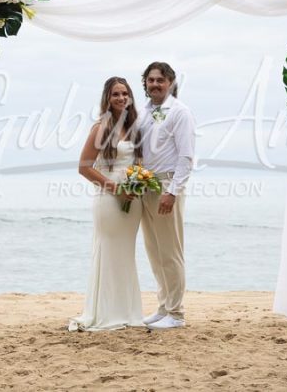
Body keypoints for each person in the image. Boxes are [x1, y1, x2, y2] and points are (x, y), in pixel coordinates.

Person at [69, 77, 145, 331]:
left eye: (125, 93)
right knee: (109, 252)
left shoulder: (134, 127)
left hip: (133, 200)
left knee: (126, 254)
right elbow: (83, 167)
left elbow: (138, 163)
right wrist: (116, 189)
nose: (121, 98)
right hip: (110, 200)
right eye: (116, 94)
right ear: (107, 98)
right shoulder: (101, 128)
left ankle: (127, 312)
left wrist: (138, 183)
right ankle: (105, 314)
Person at [139, 62, 196, 330]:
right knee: (155, 251)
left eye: (160, 80)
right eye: (151, 80)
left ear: (171, 82)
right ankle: (163, 306)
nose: (155, 84)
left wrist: (172, 192)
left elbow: (186, 157)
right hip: (147, 186)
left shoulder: (180, 112)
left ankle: (176, 312)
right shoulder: (145, 112)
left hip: (166, 186)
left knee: (171, 252)